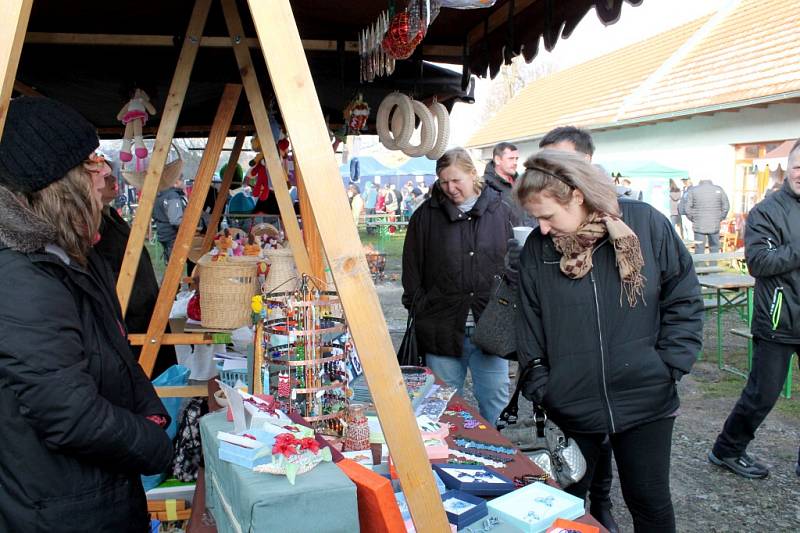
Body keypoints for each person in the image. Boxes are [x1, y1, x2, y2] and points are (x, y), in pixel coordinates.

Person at [0, 96, 172, 531]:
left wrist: (154, 415)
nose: (105, 171)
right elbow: (68, 413)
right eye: (90, 161)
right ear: (60, 182)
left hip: (100, 497)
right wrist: (152, 443)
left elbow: (118, 355)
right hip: (59, 512)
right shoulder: (20, 275)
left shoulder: (78, 256)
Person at [514, 149, 703, 532]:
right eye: (536, 218)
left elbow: (683, 296)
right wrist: (544, 385)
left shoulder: (645, 224)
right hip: (570, 403)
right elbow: (528, 322)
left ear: (577, 196)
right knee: (565, 505)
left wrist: (669, 365)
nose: (543, 228)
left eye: (547, 216)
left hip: (645, 398)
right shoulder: (538, 248)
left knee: (649, 503)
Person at [537, 125, 618, 533]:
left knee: (606, 453)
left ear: (586, 165)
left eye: (560, 164)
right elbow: (529, 309)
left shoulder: (625, 221)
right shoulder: (541, 231)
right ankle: (575, 516)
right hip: (565, 374)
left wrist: (669, 363)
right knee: (569, 467)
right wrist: (541, 377)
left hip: (619, 373)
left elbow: (675, 298)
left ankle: (601, 505)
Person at [709, 139, 800, 479]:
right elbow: (759, 262)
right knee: (762, 395)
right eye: (797, 166)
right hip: (778, 320)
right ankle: (726, 450)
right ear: (788, 168)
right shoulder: (767, 211)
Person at [402, 148, 513, 425]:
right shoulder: (425, 216)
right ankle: (450, 459)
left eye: (456, 180)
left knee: (495, 401)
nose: (450, 188)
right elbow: (412, 271)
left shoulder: (500, 212)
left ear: (472, 175)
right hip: (441, 326)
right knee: (444, 407)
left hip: (491, 327)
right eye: (443, 182)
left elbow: (513, 266)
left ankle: (498, 459)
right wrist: (423, 308)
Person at [94, 165, 177, 378]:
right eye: (106, 177)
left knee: (161, 366)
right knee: (143, 371)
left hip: (145, 301)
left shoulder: (110, 214)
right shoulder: (93, 223)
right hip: (129, 310)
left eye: (113, 176)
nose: (112, 181)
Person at [684, 178, 729, 254]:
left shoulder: (693, 190)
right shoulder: (719, 189)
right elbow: (726, 207)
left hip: (699, 225)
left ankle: (700, 265)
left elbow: (687, 209)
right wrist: (719, 218)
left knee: (699, 249)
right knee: (714, 248)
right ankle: (713, 265)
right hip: (714, 224)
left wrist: (694, 219)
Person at [153, 175, 187, 262]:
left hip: (163, 233)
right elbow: (176, 221)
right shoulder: (172, 196)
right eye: (181, 180)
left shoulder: (160, 194)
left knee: (169, 263)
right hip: (172, 236)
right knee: (174, 266)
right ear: (176, 182)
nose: (183, 183)